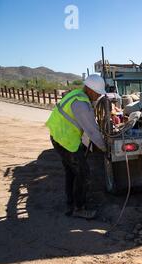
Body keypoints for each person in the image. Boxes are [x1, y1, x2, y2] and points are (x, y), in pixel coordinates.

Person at [46, 75, 107, 220]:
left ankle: (71, 202)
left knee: (71, 171)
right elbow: (91, 131)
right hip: (65, 141)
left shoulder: (76, 95)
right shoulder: (81, 103)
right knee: (83, 173)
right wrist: (105, 148)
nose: (98, 95)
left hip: (58, 136)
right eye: (97, 92)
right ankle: (79, 208)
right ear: (90, 89)